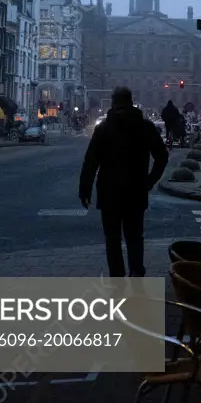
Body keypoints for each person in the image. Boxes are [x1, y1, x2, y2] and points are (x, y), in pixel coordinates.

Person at [79, 87, 169, 277]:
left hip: (109, 192)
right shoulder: (145, 127)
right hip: (136, 190)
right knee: (135, 237)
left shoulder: (103, 129)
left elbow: (91, 162)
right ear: (130, 102)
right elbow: (162, 156)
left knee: (112, 240)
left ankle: (117, 279)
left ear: (113, 103)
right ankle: (136, 274)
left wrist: (85, 189)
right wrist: (150, 180)